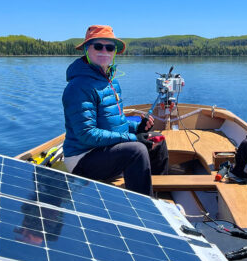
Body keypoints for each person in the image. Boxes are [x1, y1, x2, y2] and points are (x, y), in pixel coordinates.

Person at [61, 25, 168, 195]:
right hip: (83, 158)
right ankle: (145, 208)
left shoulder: (111, 81)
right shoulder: (79, 86)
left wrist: (138, 128)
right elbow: (87, 134)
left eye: (109, 47)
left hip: (106, 150)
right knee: (136, 150)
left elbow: (113, 123)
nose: (104, 51)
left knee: (157, 141)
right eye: (98, 46)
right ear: (87, 49)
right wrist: (133, 138)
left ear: (114, 52)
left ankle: (159, 196)